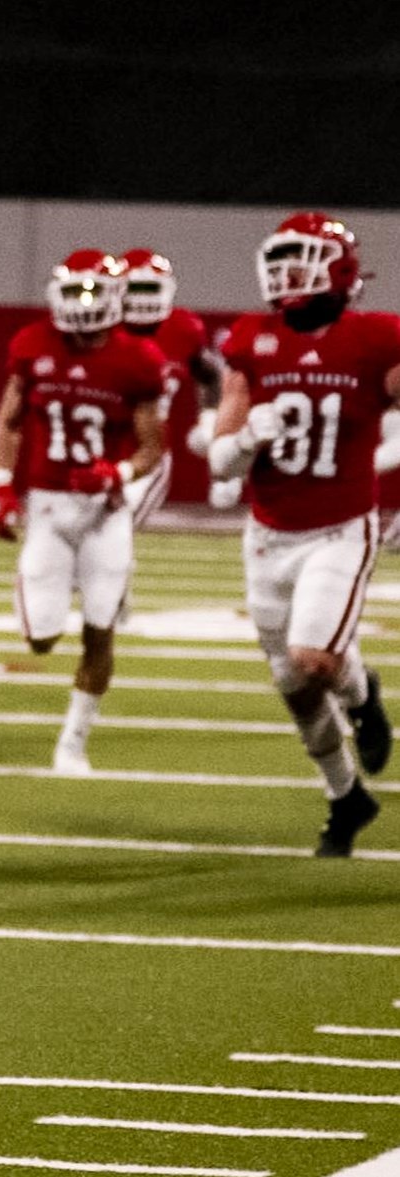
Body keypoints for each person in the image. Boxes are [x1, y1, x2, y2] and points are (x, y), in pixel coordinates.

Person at [205, 212, 398, 856]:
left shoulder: (377, 338)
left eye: (301, 263)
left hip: (340, 529)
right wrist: (248, 440)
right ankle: (346, 797)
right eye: (281, 264)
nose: (286, 277)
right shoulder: (252, 338)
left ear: (338, 270)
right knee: (294, 686)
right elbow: (220, 460)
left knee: (315, 659)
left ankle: (362, 695)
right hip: (267, 534)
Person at [0, 250, 168, 775]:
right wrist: (2, 488)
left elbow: (152, 447)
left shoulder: (138, 359)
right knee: (41, 639)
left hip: (104, 512)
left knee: (99, 629)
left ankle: (73, 741)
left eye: (92, 292)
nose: (82, 304)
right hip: (47, 505)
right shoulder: (33, 344)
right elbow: (9, 421)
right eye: (73, 292)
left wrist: (116, 473)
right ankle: (58, 581)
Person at [118, 248, 223, 523]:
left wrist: (209, 419)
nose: (143, 298)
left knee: (117, 527)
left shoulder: (183, 328)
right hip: (100, 446)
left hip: (150, 452)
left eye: (150, 288)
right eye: (136, 288)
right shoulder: (100, 331)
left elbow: (210, 374)